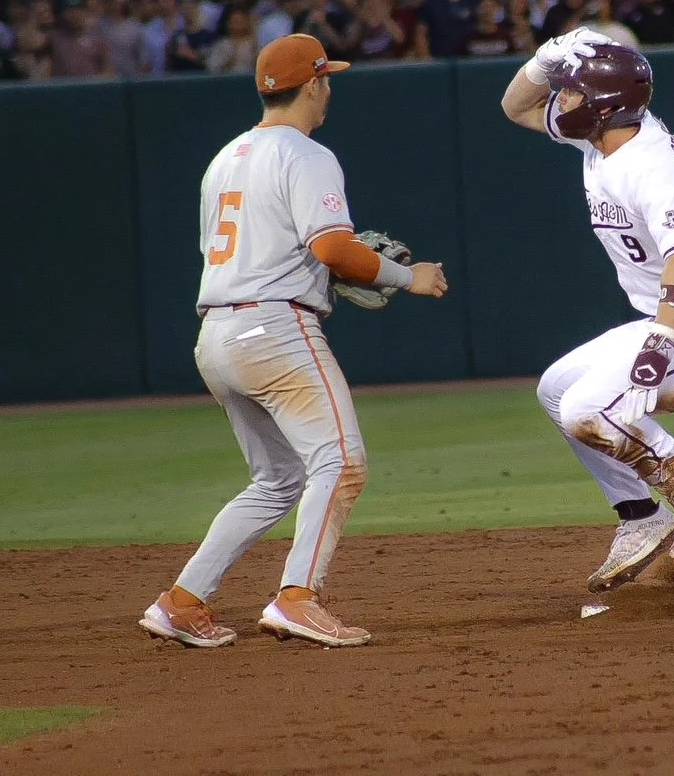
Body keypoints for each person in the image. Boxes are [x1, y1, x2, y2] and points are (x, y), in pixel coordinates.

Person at [138, 33, 449, 649]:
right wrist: (404, 277)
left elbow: (271, 249)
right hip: (276, 331)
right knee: (342, 462)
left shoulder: (225, 157)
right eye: (326, 77)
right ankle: (297, 597)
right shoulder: (307, 155)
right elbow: (332, 248)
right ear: (312, 84)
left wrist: (326, 268)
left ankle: (181, 601)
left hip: (217, 335)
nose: (329, 86)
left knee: (277, 479)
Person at [500, 29, 674, 592]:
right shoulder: (600, 140)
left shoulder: (651, 163)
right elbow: (515, 107)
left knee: (587, 409)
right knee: (555, 390)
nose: (562, 99)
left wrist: (659, 344)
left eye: (572, 92)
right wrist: (542, 58)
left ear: (603, 106)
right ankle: (641, 518)